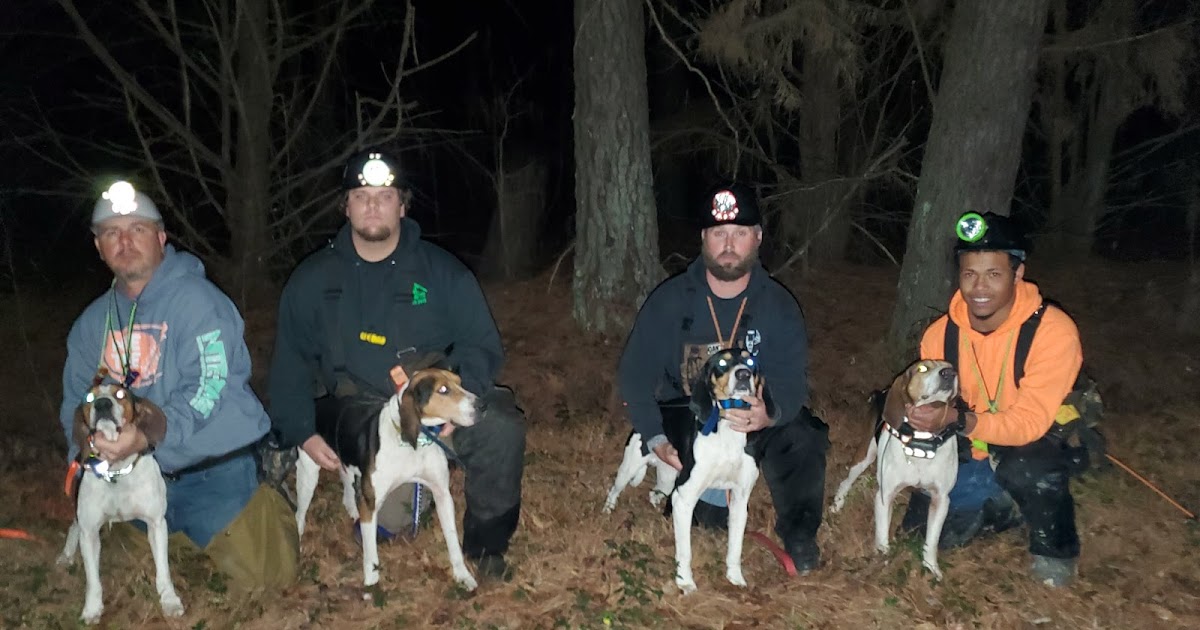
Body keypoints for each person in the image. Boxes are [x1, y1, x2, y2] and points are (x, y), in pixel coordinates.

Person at [266, 148, 526, 580]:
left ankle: (486, 547)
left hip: (431, 402)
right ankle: (368, 493)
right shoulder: (312, 281)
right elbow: (290, 362)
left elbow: (481, 344)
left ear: (402, 206)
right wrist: (303, 432)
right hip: (364, 414)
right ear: (345, 206)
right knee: (392, 526)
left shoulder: (442, 272)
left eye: (384, 196)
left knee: (501, 428)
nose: (372, 204)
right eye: (361, 194)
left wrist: (458, 403)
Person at [59, 181, 296, 588]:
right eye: (111, 232)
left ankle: (241, 511)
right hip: (131, 479)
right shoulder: (90, 327)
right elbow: (74, 404)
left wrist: (147, 434)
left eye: (138, 229)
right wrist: (88, 450)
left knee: (270, 579)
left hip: (212, 473)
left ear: (161, 238)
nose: (125, 241)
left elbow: (210, 387)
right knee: (114, 574)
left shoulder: (201, 303)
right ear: (98, 247)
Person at [616, 182, 830, 574]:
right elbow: (633, 375)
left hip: (757, 420)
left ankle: (799, 535)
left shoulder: (779, 306)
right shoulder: (670, 301)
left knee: (805, 434)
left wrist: (770, 413)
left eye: (740, 233)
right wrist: (655, 436)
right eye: (719, 234)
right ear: (703, 238)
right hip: (696, 424)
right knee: (709, 524)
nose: (728, 244)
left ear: (758, 238)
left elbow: (793, 382)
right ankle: (685, 494)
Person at [904, 211, 1085, 587]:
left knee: (1028, 468)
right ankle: (1003, 506)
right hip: (974, 445)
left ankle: (1054, 551)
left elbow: (1030, 423)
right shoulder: (939, 336)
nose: (979, 287)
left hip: (1034, 444)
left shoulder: (1053, 332)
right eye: (969, 274)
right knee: (918, 533)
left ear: (1018, 275)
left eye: (994, 274)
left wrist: (958, 421)